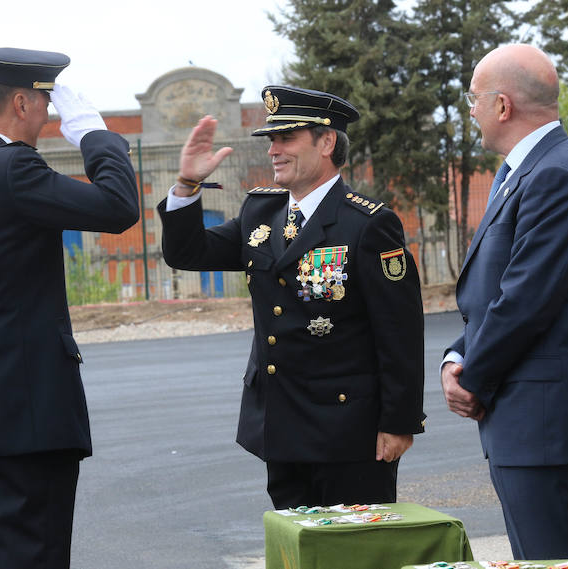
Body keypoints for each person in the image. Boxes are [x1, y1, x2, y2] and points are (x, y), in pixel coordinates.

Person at [157, 85, 425, 509]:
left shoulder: (367, 224)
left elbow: (400, 332)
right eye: (271, 140)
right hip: (280, 427)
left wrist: (399, 422)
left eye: (286, 138)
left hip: (348, 432)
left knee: (351, 543)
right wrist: (188, 183)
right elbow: (187, 253)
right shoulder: (260, 213)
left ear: (327, 141)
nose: (273, 150)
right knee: (293, 541)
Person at [0, 48, 139, 568]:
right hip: (28, 422)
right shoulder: (13, 166)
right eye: (46, 102)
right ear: (21, 103)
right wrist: (93, 135)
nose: (48, 116)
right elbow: (118, 207)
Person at [440, 44, 568, 565]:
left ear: (502, 105)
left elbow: (524, 301)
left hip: (545, 423)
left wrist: (473, 378)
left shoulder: (555, 175)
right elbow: (496, 295)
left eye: (473, 99)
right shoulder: (528, 170)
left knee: (559, 559)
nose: (470, 111)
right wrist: (457, 355)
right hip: (528, 421)